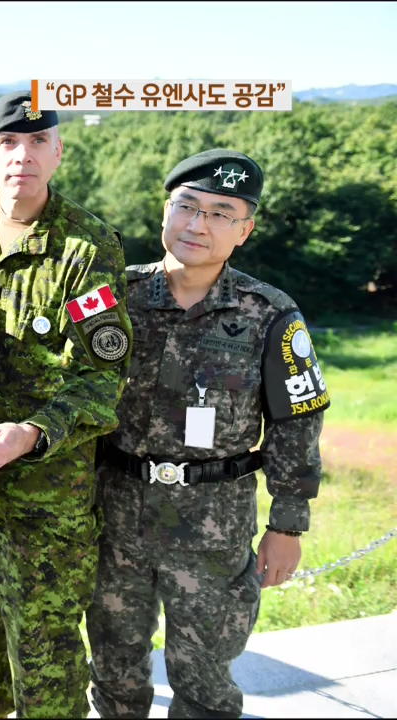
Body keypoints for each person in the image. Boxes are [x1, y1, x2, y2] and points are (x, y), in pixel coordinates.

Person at [88, 149, 328, 718]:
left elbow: (297, 421)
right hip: (114, 512)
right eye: (187, 206)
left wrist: (287, 526)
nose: (199, 224)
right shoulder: (110, 298)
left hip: (213, 526)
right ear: (165, 212)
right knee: (113, 668)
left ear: (244, 230)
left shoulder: (269, 312)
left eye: (221, 213)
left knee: (205, 681)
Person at [0, 91, 134, 717]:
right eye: (9, 142)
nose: (24, 154)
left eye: (38, 141)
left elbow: (104, 377)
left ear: (58, 152)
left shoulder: (86, 247)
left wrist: (33, 432)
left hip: (44, 500)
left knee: (46, 667)